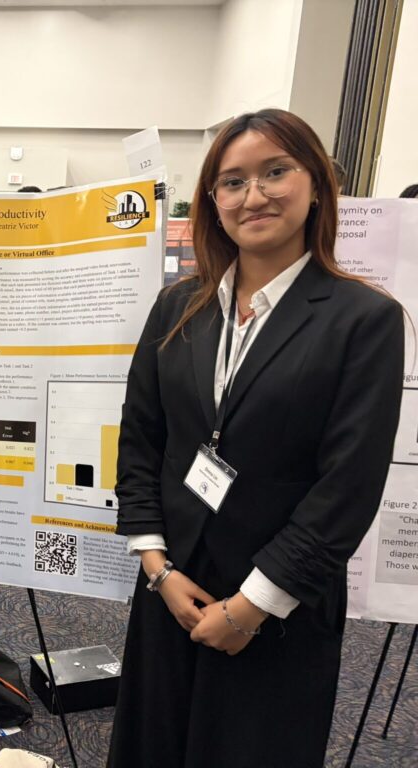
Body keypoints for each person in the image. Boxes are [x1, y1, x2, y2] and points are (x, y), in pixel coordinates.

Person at [109, 108, 404, 768]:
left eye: (276, 172)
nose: (255, 195)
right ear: (213, 202)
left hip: (279, 603)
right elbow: (141, 438)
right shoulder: (178, 307)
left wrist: (251, 608)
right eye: (233, 181)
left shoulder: (365, 321)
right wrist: (156, 567)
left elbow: (347, 489)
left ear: (317, 184)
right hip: (173, 587)